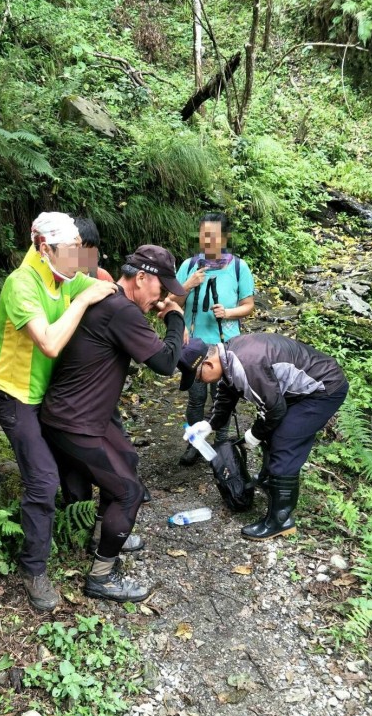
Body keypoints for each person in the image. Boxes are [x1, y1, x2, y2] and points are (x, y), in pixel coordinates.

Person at [0, 212, 117, 612]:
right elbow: (49, 344)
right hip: (14, 397)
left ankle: (87, 530)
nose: (78, 258)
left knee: (85, 452)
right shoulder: (21, 283)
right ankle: (33, 568)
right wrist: (86, 299)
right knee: (42, 480)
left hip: (48, 395)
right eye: (71, 250)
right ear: (45, 248)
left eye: (79, 249)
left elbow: (109, 293)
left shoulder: (63, 277)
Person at [41, 245, 186, 602]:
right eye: (161, 289)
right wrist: (175, 316)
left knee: (127, 461)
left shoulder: (112, 302)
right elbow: (167, 363)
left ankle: (99, 536)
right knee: (128, 492)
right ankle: (102, 576)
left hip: (82, 416)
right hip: (73, 422)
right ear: (141, 278)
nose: (162, 297)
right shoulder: (120, 310)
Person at [177, 334, 349, 540]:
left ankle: (281, 520)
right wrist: (209, 424)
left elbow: (274, 409)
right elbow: (226, 394)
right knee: (274, 435)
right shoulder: (228, 357)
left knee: (286, 441)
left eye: (198, 377)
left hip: (323, 389)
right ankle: (271, 482)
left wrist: (255, 434)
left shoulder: (247, 363)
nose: (199, 381)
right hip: (298, 391)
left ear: (208, 364)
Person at [174, 213, 255, 466]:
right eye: (204, 234)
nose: (208, 240)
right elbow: (172, 304)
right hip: (194, 345)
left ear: (224, 237)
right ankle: (194, 445)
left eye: (214, 235)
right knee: (196, 398)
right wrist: (187, 285)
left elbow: (248, 305)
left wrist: (228, 312)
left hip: (226, 345)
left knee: (224, 398)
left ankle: (222, 442)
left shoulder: (239, 267)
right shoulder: (189, 266)